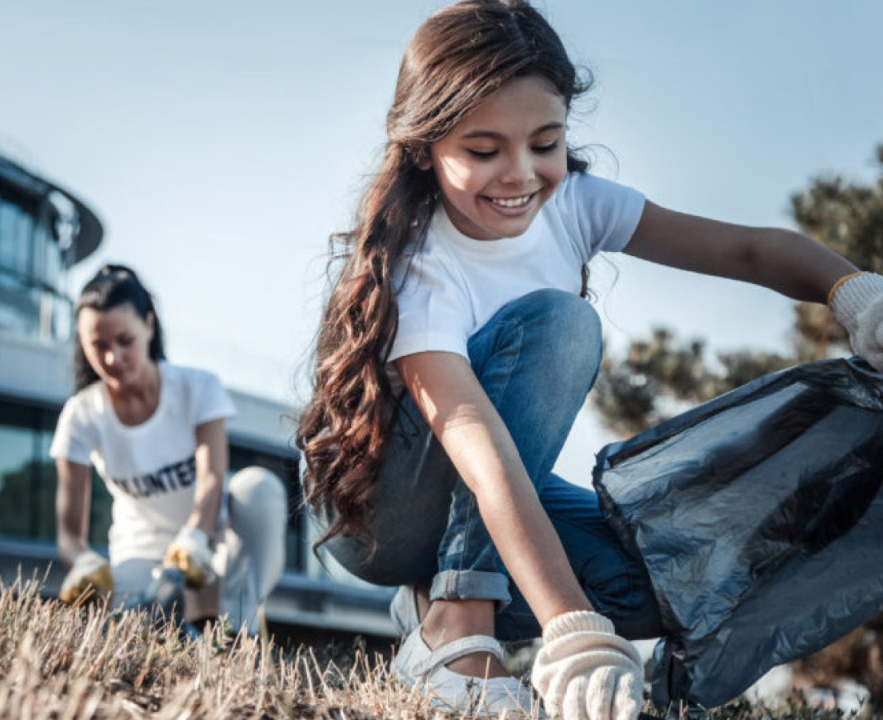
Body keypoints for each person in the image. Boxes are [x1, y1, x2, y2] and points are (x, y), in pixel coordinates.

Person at [295, 2, 883, 719]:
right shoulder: (423, 265)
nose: (519, 176)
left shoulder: (575, 203)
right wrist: (570, 626)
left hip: (481, 493)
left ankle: (432, 602)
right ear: (423, 147)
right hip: (373, 510)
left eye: (544, 143)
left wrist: (854, 295)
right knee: (561, 326)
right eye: (484, 151)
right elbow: (484, 454)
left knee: (654, 581)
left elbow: (751, 249)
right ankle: (460, 624)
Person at [50, 264, 288, 635]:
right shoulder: (80, 415)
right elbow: (69, 534)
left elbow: (211, 480)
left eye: (124, 341)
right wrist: (82, 561)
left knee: (260, 488)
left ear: (148, 325)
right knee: (129, 630)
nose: (112, 358)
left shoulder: (198, 388)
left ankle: (238, 634)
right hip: (141, 555)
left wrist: (194, 538)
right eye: (98, 346)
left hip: (213, 543)